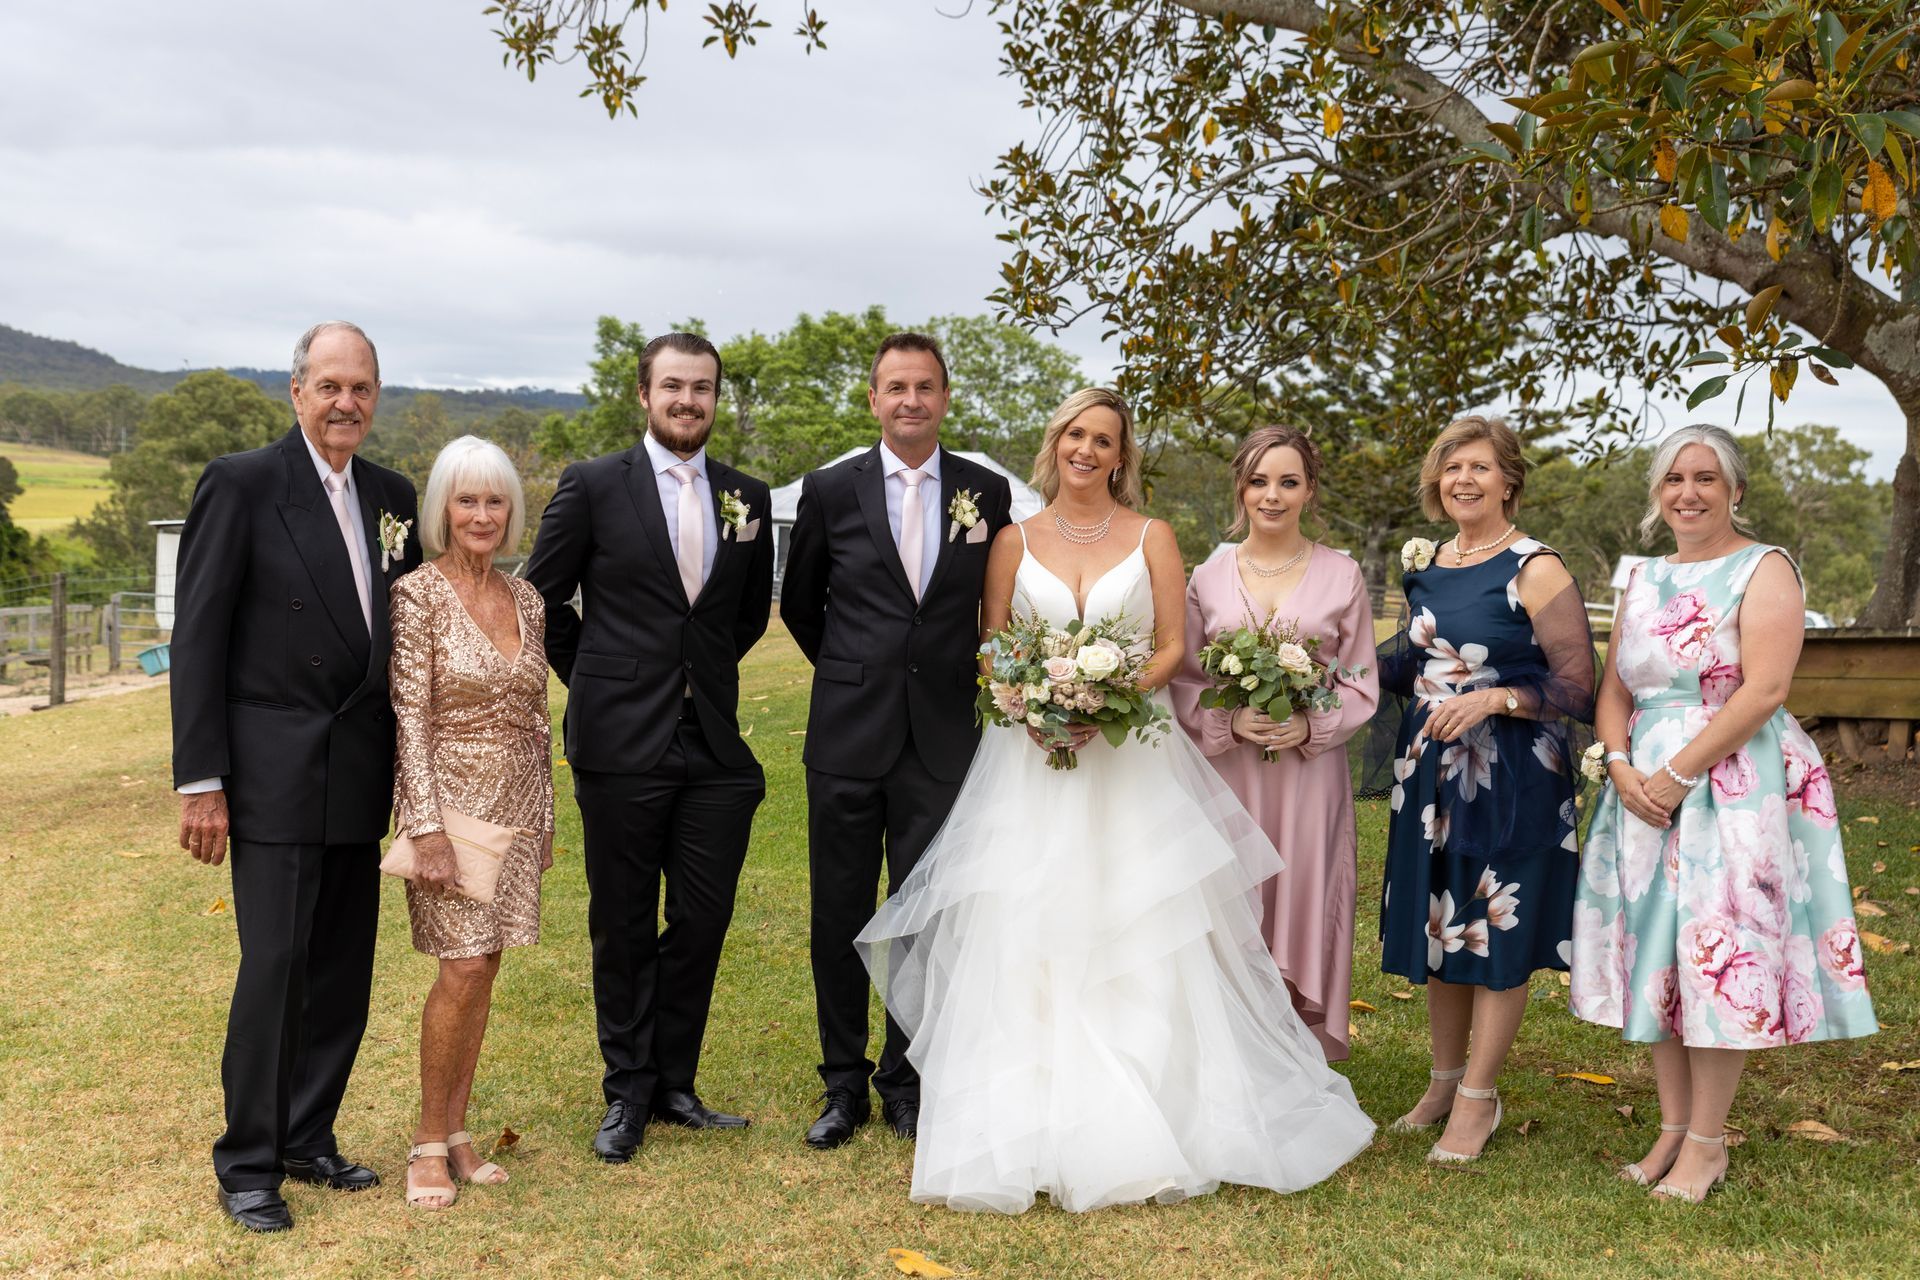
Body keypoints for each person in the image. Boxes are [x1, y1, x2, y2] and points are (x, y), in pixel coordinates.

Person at [857, 389, 1375, 1214]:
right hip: (1029, 763)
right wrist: (1035, 706)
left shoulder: (1154, 538)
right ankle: (1023, 1119)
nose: (1087, 450)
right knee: (1029, 921)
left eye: (1104, 439)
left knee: (1138, 921)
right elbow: (991, 648)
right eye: (1074, 435)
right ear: (1054, 442)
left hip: (1132, 760)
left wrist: (1102, 701)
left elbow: (1173, 646)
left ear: (1121, 454)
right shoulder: (1011, 541)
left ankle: (1154, 1110)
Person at [1570, 425, 1876, 1202]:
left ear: (1735, 490)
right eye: (1674, 479)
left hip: (1731, 784)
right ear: (1657, 495)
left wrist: (1676, 773)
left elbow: (1765, 690)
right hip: (1640, 782)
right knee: (1659, 953)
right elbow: (1615, 688)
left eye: (1706, 478)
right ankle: (1673, 1128)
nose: (1688, 493)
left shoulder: (1764, 568)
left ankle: (1709, 1144)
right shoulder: (1640, 574)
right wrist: (1620, 764)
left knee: (1715, 953)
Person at [171, 321, 421, 1232]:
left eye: (361, 387)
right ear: (296, 393)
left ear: (374, 396)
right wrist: (201, 779)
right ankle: (247, 1160)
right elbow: (196, 637)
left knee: (341, 969)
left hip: (359, 770)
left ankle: (309, 1136)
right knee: (274, 967)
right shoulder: (241, 484)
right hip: (270, 772)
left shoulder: (393, 496)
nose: (346, 402)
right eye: (329, 386)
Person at [525, 332, 774, 1162]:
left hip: (713, 749)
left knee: (701, 918)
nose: (687, 401)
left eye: (701, 389)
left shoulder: (748, 497)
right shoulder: (594, 486)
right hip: (619, 742)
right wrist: (600, 675)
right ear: (644, 394)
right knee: (623, 922)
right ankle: (627, 1091)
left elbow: (737, 621)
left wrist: (695, 676)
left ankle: (675, 1082)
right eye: (673, 386)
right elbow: (542, 599)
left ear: (714, 398)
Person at [780, 333, 1015, 1148]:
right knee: (841, 912)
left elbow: (991, 605)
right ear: (873, 399)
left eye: (925, 386)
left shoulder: (984, 493)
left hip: (941, 738)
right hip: (848, 734)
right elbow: (804, 604)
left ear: (945, 397)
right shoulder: (829, 489)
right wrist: (856, 674)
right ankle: (841, 1084)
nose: (910, 400)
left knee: (925, 916)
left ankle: (906, 1079)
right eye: (895, 387)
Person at [1375, 415, 1594, 1163]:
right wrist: (1318, 665)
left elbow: (1576, 685)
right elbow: (1413, 661)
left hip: (1511, 775)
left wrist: (1493, 699)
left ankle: (1479, 1096)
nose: (1462, 479)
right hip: (1429, 772)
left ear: (1509, 479)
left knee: (1494, 925)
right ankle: (1442, 1081)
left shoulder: (1535, 567)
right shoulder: (1430, 563)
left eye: (1478, 466)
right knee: (1442, 923)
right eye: (1450, 467)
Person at [1172, 425, 1379, 1061]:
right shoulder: (1207, 576)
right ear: (1241, 487)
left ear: (1309, 490)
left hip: (1308, 774)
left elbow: (1361, 677)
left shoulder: (1342, 575)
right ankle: (1231, 1054)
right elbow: (1184, 676)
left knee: (1302, 897)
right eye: (1259, 481)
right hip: (1228, 772)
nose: (1272, 496)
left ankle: (1295, 1050)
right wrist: (1227, 722)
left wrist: (1312, 724)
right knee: (1230, 900)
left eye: (1288, 482)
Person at [387, 436, 554, 1209]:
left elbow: (537, 720)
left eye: (495, 501)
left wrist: (546, 820)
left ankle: (458, 1134)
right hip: (448, 808)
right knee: (458, 969)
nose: (482, 515)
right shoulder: (417, 594)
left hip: (518, 807)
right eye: (466, 500)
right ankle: (425, 1141)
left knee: (486, 968)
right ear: (442, 510)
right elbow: (408, 717)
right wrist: (424, 828)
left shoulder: (528, 599)